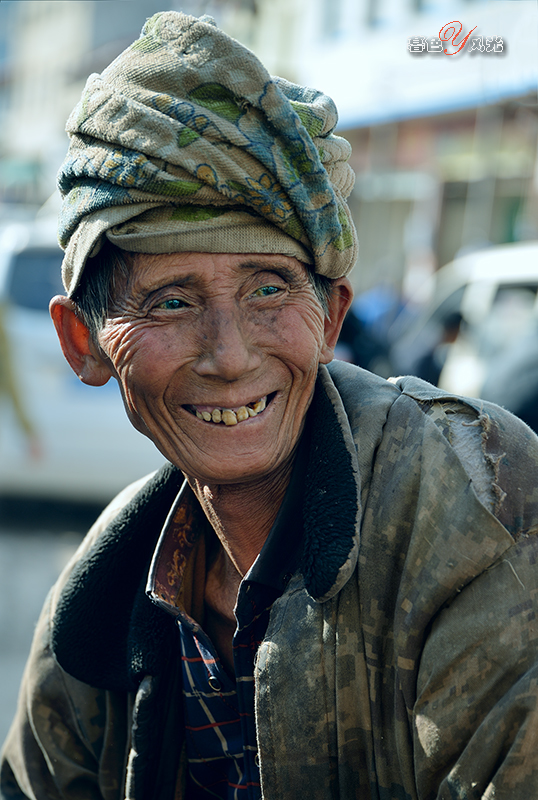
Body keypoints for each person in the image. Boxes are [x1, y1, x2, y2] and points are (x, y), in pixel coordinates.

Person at [3, 12, 538, 800]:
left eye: (267, 289)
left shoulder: (475, 512)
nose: (229, 354)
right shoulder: (99, 606)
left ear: (330, 317)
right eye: (172, 300)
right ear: (83, 341)